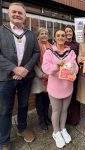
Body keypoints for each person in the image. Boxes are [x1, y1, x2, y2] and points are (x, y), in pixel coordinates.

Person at [0, 2, 40, 150]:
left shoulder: (30, 34)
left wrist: (25, 69)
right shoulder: (1, 31)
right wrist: (14, 69)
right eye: (14, 12)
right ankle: (4, 140)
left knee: (23, 105)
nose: (17, 15)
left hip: (26, 77)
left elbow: (36, 52)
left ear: (25, 16)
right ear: (8, 13)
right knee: (5, 110)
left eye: (20, 13)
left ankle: (22, 129)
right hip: (6, 78)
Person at [42, 29, 78, 148]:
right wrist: (57, 65)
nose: (61, 37)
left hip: (68, 86)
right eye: (58, 35)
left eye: (63, 35)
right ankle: (56, 132)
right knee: (56, 111)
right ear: (55, 37)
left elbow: (75, 65)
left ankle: (63, 129)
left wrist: (74, 69)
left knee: (64, 110)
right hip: (54, 87)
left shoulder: (71, 52)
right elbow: (45, 68)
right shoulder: (49, 52)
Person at [31, 27, 51, 130]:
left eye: (46, 34)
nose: (44, 35)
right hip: (38, 77)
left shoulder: (51, 46)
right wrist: (41, 74)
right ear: (38, 36)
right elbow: (32, 62)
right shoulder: (34, 46)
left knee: (47, 99)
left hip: (49, 77)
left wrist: (49, 73)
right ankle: (41, 120)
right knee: (39, 100)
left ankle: (47, 117)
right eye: (42, 33)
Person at [64, 25, 80, 125]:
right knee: (65, 96)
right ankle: (65, 118)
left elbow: (79, 58)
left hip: (74, 73)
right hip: (64, 74)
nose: (68, 33)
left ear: (73, 33)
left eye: (70, 31)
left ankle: (75, 119)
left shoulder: (77, 44)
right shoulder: (60, 43)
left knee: (74, 96)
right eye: (66, 31)